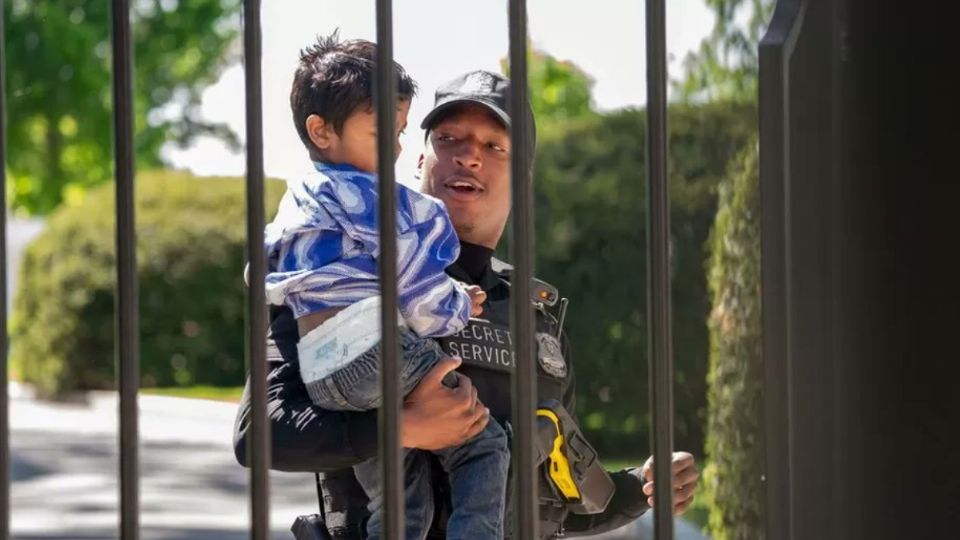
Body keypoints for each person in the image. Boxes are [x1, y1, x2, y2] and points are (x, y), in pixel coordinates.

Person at [234, 69, 700, 539]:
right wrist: (400, 430)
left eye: (494, 146)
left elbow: (555, 504)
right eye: (449, 138)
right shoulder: (345, 275)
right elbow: (260, 437)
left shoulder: (536, 318)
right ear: (420, 160)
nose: (469, 157)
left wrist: (641, 489)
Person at [262, 34, 508, 540]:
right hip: (371, 350)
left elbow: (263, 271)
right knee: (484, 446)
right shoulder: (387, 204)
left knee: (400, 500)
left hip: (322, 374)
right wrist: (458, 304)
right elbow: (418, 294)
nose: (395, 149)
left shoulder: (299, 197)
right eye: (383, 134)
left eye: (398, 133)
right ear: (321, 131)